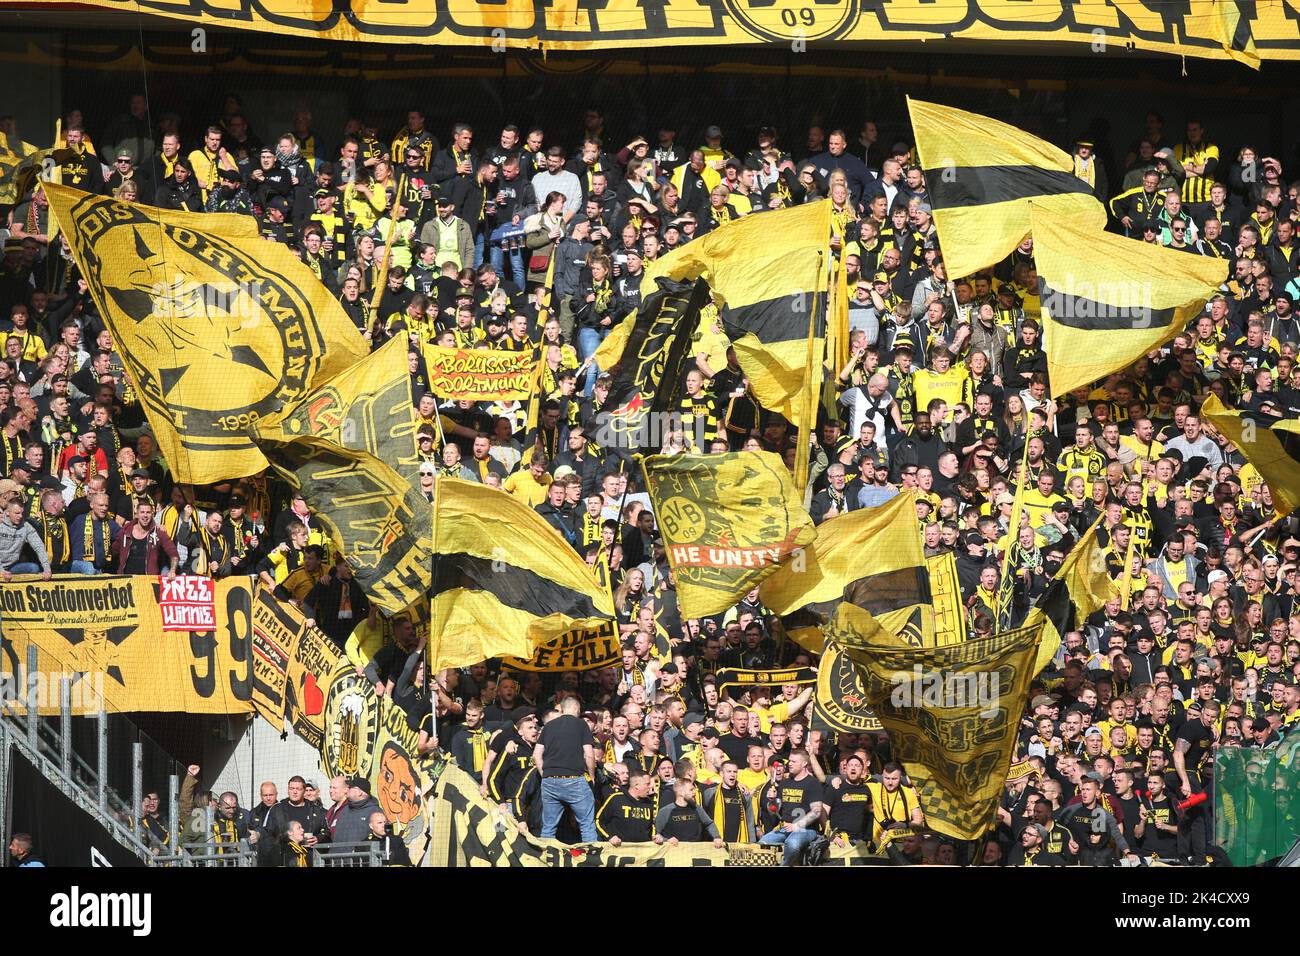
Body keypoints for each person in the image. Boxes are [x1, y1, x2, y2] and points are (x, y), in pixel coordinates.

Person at [533, 695, 598, 842]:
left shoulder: (548, 726)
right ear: (577, 709)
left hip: (549, 780)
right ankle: (592, 861)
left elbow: (537, 755)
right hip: (574, 780)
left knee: (548, 828)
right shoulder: (581, 725)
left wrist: (545, 774)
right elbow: (589, 754)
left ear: (562, 709)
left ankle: (546, 860)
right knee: (587, 825)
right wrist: (592, 776)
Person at [758, 748, 825, 865]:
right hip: (786, 827)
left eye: (794, 761)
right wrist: (771, 800)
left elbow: (816, 812)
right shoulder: (785, 782)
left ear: (804, 763)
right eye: (789, 761)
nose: (789, 764)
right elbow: (774, 811)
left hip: (806, 829)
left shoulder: (812, 783)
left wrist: (797, 825)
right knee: (763, 842)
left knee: (792, 844)